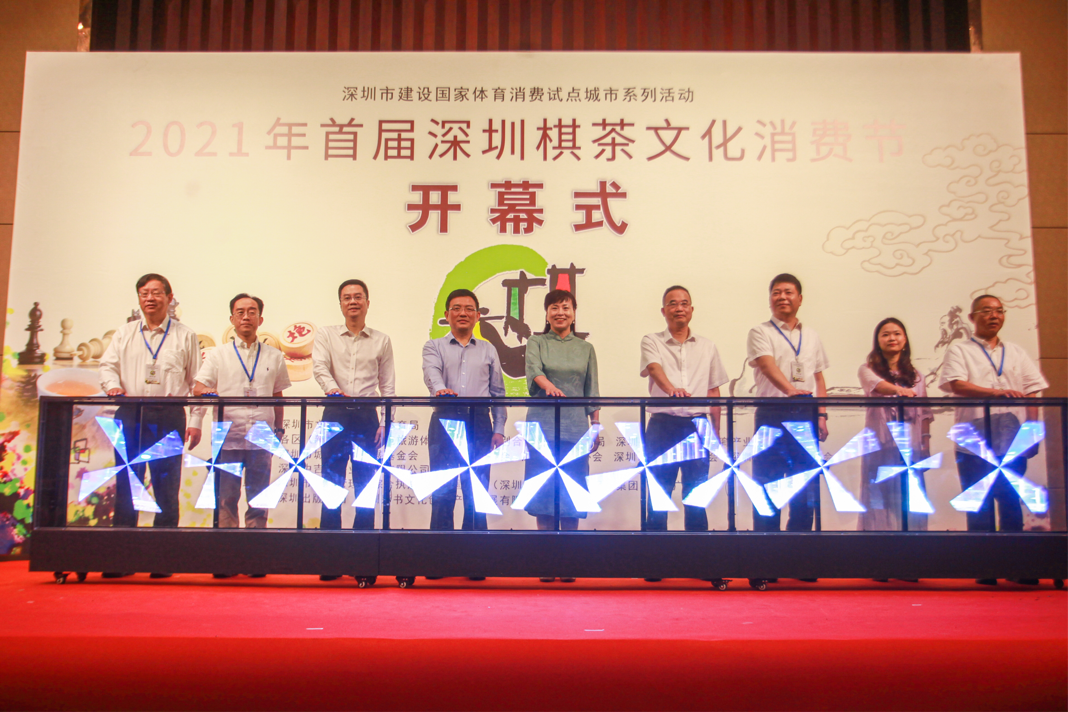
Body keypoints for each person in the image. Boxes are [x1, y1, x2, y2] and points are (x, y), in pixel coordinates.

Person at [98, 273, 203, 579]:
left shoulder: (185, 335)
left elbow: (197, 383)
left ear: (170, 298)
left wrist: (196, 420)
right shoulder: (125, 333)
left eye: (156, 293)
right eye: (144, 293)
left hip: (169, 415)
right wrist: (112, 386)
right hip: (131, 413)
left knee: (166, 486)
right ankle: (121, 558)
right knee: (127, 484)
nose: (150, 298)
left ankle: (163, 558)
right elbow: (107, 366)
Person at [939, 294, 1048, 586]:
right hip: (973, 442)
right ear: (972, 317)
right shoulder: (960, 349)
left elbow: (1032, 390)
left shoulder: (1016, 351)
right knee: (980, 503)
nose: (994, 316)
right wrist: (995, 393)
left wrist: (1032, 431)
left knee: (1011, 501)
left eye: (999, 311)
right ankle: (984, 566)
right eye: (986, 311)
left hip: (1011, 439)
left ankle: (1015, 566)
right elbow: (956, 384)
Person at [194, 294, 289, 573]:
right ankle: (227, 558)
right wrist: (211, 392)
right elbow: (198, 388)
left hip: (262, 435)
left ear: (261, 318)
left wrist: (279, 428)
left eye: (252, 311)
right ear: (232, 319)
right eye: (240, 312)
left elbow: (278, 395)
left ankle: (255, 558)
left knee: (259, 499)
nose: (246, 316)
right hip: (228, 435)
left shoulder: (274, 355)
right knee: (226, 499)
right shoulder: (217, 354)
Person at [313, 279, 395, 579]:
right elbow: (319, 367)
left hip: (366, 417)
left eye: (358, 297)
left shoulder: (381, 340)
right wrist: (334, 390)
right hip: (334, 413)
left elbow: (387, 385)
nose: (353, 302)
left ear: (367, 303)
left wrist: (386, 422)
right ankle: (330, 560)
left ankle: (363, 561)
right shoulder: (326, 335)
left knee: (365, 488)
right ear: (340, 304)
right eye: (347, 297)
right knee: (331, 485)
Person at [746, 274, 829, 544]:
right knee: (768, 485)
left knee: (804, 488)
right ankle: (766, 553)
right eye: (776, 292)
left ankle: (799, 552)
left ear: (800, 299)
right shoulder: (760, 332)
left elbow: (818, 378)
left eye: (788, 292)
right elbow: (767, 365)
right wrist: (789, 389)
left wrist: (822, 414)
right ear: (770, 299)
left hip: (805, 415)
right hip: (772, 413)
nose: (782, 297)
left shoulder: (812, 335)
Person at [524, 289, 599, 582]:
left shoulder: (586, 348)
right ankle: (546, 561)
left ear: (574, 313)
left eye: (566, 307)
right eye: (554, 307)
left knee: (571, 495)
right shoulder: (536, 342)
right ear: (546, 313)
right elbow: (534, 371)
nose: (560, 313)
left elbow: (592, 389)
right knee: (544, 494)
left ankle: (567, 562)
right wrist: (550, 387)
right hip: (542, 427)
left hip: (575, 427)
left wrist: (595, 425)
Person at [422, 289, 507, 544]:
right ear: (447, 314)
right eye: (457, 308)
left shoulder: (488, 349)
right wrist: (441, 390)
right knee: (443, 491)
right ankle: (440, 554)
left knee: (476, 492)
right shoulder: (433, 346)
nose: (463, 313)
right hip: (445, 418)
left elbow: (498, 392)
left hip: (479, 423)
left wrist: (498, 428)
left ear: (477, 316)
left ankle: (475, 554)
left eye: (469, 309)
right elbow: (432, 374)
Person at [640, 285, 727, 532]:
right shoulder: (652, 340)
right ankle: (653, 554)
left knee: (696, 496)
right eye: (673, 303)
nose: (679, 308)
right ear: (663, 310)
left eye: (684, 303)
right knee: (659, 495)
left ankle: (698, 553)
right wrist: (672, 390)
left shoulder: (707, 346)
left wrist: (715, 433)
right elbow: (654, 368)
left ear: (691, 309)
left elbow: (713, 391)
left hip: (697, 426)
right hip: (662, 426)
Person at [857, 318, 933, 533]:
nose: (892, 338)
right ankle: (879, 544)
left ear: (905, 339)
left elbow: (925, 413)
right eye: (886, 334)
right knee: (879, 494)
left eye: (897, 333)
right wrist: (899, 390)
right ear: (878, 340)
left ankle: (913, 544)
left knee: (911, 495)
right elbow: (878, 386)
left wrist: (925, 444)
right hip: (880, 444)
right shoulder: (867, 369)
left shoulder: (916, 376)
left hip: (911, 446)